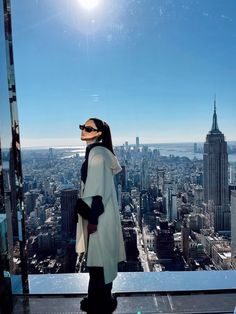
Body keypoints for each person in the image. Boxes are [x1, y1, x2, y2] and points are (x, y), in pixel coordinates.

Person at [75, 118, 126, 313]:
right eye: (83, 127)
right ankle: (102, 298)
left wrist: (92, 219)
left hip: (98, 217)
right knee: (102, 260)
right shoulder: (98, 153)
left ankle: (97, 303)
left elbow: (98, 192)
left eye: (89, 128)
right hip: (102, 216)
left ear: (99, 134)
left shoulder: (97, 156)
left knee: (98, 262)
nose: (84, 130)